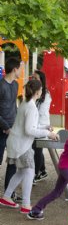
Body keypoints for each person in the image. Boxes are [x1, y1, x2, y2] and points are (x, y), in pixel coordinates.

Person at [0, 80, 59, 214]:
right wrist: (48, 133)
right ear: (37, 91)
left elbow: (29, 126)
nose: (42, 91)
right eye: (41, 89)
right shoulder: (31, 106)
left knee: (21, 172)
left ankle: (7, 197)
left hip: (17, 143)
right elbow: (29, 130)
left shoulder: (25, 103)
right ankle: (26, 205)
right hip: (21, 145)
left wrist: (44, 127)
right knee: (29, 171)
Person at [0, 57, 22, 202]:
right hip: (2, 129)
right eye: (20, 68)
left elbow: (13, 106)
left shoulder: (15, 85)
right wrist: (6, 127)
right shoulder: (1, 85)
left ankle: (9, 193)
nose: (21, 71)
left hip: (12, 129)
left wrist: (17, 123)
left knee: (13, 161)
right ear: (15, 69)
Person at [32, 70, 52, 183]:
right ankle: (42, 171)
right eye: (33, 78)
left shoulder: (46, 94)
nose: (33, 80)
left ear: (41, 81)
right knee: (35, 148)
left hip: (41, 125)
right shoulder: (32, 92)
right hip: (34, 125)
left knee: (37, 149)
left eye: (36, 78)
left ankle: (34, 174)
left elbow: (41, 112)